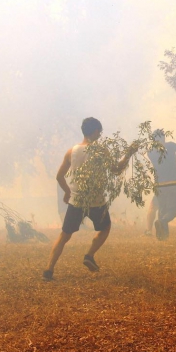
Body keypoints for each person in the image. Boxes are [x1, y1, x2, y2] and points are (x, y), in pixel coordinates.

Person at [43, 117, 137, 280]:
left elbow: (59, 177)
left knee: (64, 236)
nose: (100, 135)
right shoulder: (100, 151)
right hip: (96, 201)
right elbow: (116, 170)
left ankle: (48, 270)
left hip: (77, 201)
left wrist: (67, 192)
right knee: (105, 228)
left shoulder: (71, 152)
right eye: (99, 132)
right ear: (94, 132)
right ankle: (89, 255)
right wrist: (128, 153)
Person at [144, 125, 176, 239]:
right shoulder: (170, 146)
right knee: (172, 211)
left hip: (159, 186)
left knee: (162, 210)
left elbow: (164, 158)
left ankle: (163, 236)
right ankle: (162, 223)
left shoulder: (150, 152)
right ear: (163, 138)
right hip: (173, 184)